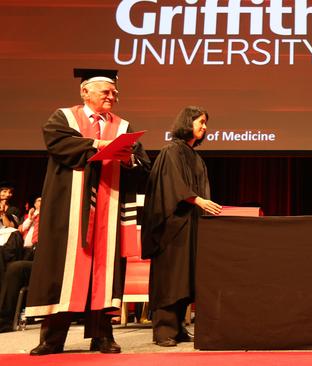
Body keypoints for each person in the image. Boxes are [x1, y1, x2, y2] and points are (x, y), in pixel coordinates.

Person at [25, 68, 150, 355]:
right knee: (67, 269)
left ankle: (102, 336)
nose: (112, 97)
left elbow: (142, 162)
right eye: (106, 92)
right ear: (85, 92)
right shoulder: (64, 118)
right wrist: (97, 144)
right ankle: (52, 338)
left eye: (114, 93)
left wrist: (129, 159)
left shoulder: (123, 126)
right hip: (70, 208)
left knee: (104, 272)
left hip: (111, 207)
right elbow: (58, 143)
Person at [141, 106, 222, 347]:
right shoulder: (171, 152)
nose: (205, 127)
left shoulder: (193, 155)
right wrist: (198, 201)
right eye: (201, 122)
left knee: (186, 278)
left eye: (206, 123)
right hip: (172, 227)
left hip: (191, 224)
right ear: (187, 122)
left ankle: (178, 327)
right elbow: (172, 184)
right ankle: (163, 329)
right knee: (171, 277)